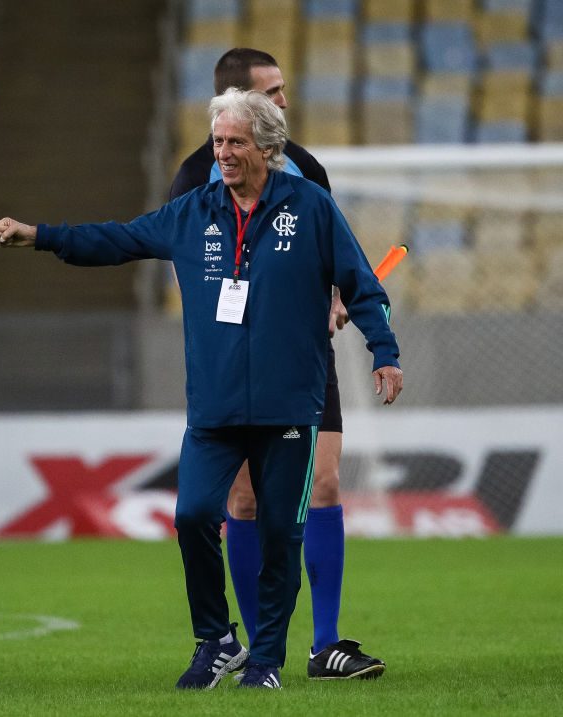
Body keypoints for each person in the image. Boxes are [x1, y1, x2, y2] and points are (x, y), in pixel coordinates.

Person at [0, 88, 402, 690]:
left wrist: (384, 352)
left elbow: (362, 284)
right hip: (214, 408)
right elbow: (117, 240)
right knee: (191, 517)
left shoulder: (312, 207)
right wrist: (39, 235)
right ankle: (216, 640)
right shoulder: (192, 212)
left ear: (267, 147)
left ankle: (265, 662)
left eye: (236, 142)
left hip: (290, 405)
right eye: (218, 142)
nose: (224, 153)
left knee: (281, 537)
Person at [170, 48, 384, 681]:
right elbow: (197, 278)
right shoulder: (192, 180)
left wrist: (335, 298)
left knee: (326, 484)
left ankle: (325, 646)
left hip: (302, 360)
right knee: (241, 500)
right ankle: (253, 647)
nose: (286, 102)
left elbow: (331, 251)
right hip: (237, 367)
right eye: (273, 92)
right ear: (238, 100)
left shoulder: (306, 167)